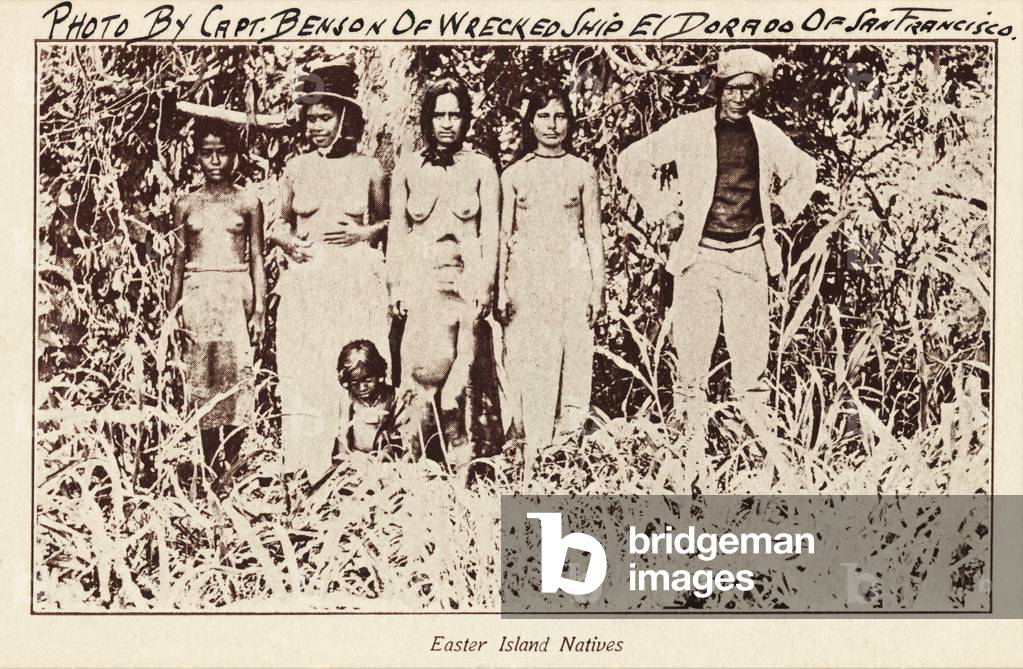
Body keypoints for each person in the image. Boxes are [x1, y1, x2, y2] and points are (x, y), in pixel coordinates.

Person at [617, 48, 817, 489]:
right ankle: (689, 466)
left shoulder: (766, 135)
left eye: (751, 88)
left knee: (752, 374)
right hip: (698, 260)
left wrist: (782, 209)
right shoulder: (689, 130)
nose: (742, 97)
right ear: (718, 88)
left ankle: (760, 467)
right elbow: (631, 161)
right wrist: (663, 209)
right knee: (690, 369)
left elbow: (806, 170)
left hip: (749, 258)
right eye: (734, 88)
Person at [269, 64, 391, 483]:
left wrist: (364, 232)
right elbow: (277, 224)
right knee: (307, 372)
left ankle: (357, 468)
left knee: (355, 369)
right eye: (311, 119)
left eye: (325, 117)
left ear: (345, 118)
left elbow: (391, 224)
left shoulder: (369, 168)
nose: (316, 127)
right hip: (308, 282)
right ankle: (306, 468)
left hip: (354, 279)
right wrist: (289, 243)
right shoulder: (297, 167)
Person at [388, 77, 502, 480]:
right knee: (420, 382)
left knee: (460, 390)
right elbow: (398, 234)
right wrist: (395, 284)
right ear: (427, 118)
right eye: (440, 114)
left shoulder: (482, 168)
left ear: (466, 118)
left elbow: (490, 233)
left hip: (465, 282)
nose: (448, 123)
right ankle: (413, 479)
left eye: (455, 114)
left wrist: (486, 284)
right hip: (421, 283)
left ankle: (465, 482)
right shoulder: (407, 167)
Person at [497, 86, 607, 479]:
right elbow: (502, 236)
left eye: (559, 116)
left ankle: (567, 452)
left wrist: (598, 288)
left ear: (569, 122)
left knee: (574, 358)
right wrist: (501, 287)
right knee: (530, 360)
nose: (552, 125)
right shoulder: (514, 174)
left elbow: (593, 234)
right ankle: (530, 452)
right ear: (530, 122)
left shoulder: (582, 171)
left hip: (572, 275)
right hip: (527, 278)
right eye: (543, 116)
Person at [168, 118, 266, 494]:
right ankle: (206, 470)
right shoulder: (185, 204)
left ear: (235, 156)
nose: (215, 161)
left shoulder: (247, 201)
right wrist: (172, 315)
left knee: (235, 378)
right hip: (197, 292)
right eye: (206, 153)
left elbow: (257, 256)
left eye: (222, 152)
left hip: (233, 290)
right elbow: (178, 261)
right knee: (202, 381)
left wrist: (258, 311)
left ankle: (234, 467)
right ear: (196, 157)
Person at [334, 339, 405, 461]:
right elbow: (342, 444)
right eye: (355, 383)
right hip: (355, 460)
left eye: (367, 380)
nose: (362, 388)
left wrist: (384, 455)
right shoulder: (347, 398)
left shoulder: (395, 397)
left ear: (378, 373)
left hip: (387, 460)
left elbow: (399, 438)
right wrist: (355, 459)